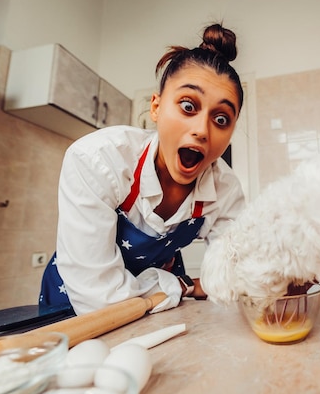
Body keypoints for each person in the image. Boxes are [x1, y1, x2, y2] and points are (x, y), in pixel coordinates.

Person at [38, 23, 246, 315]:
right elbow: (100, 298)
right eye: (188, 106)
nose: (202, 130)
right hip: (75, 306)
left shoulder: (225, 189)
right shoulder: (99, 159)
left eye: (221, 119)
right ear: (156, 107)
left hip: (161, 307)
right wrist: (180, 285)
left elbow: (237, 273)